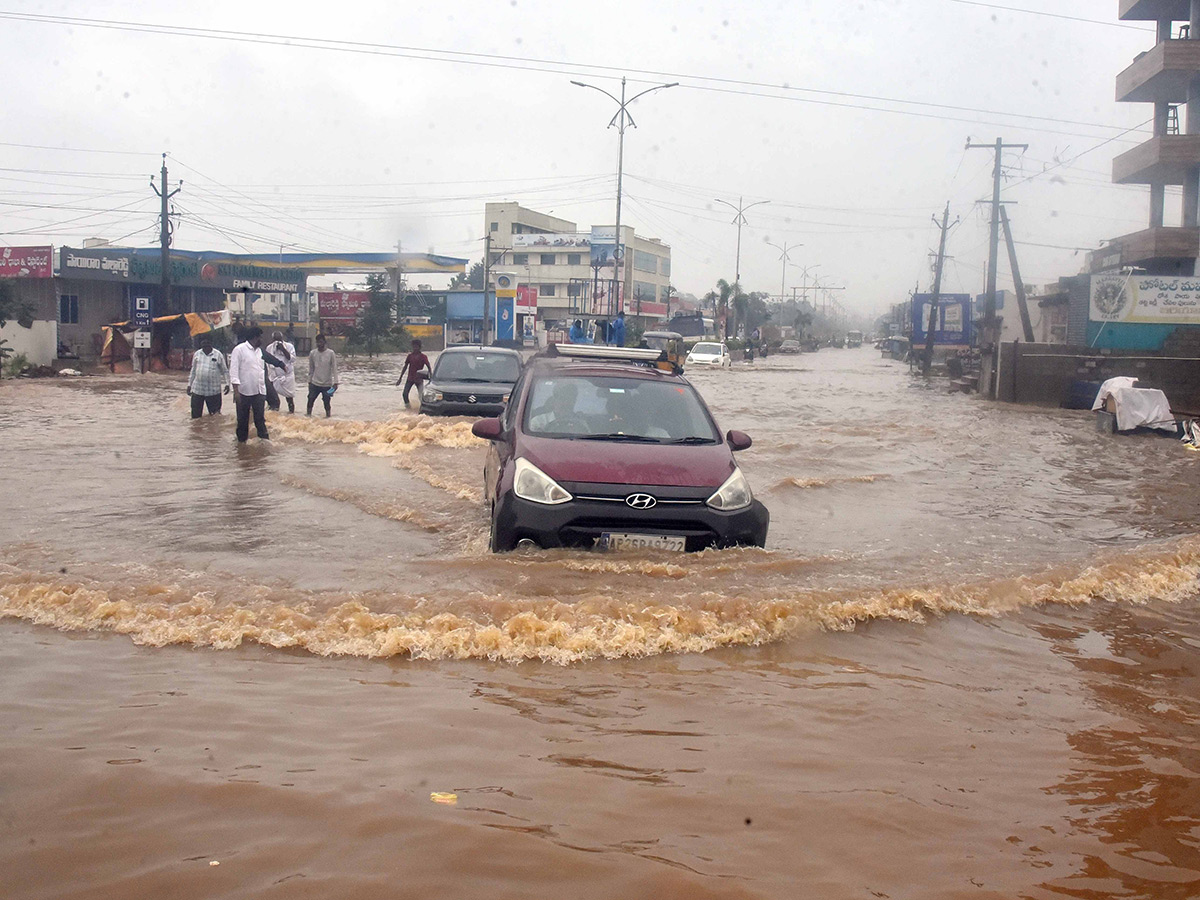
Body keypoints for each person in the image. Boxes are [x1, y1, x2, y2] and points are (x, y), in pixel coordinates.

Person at [229, 327, 272, 442]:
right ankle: (241, 445)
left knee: (260, 420)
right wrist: (236, 391)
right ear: (255, 337)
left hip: (259, 391)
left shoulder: (259, 351)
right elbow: (234, 371)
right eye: (260, 337)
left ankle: (265, 444)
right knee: (243, 420)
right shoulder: (239, 350)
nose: (262, 339)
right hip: (244, 392)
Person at [186, 334, 229, 418]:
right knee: (195, 417)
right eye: (203, 342)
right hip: (198, 390)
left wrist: (227, 384)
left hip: (213, 391)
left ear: (211, 343)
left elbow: (225, 371)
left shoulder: (218, 355)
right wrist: (189, 385)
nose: (205, 344)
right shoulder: (197, 354)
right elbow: (193, 371)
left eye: (207, 342)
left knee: (215, 417)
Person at [307, 333, 339, 417]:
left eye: (321, 342)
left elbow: (334, 368)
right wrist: (309, 381)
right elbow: (311, 369)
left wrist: (336, 382)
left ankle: (328, 417)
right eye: (317, 342)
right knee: (310, 399)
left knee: (326, 402)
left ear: (324, 342)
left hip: (327, 384)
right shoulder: (312, 353)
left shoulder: (331, 353)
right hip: (314, 383)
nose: (319, 344)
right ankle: (308, 416)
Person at [265, 331, 297, 413]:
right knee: (273, 398)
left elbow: (292, 359)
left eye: (279, 340)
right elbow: (268, 361)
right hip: (274, 376)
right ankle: (273, 415)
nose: (277, 342)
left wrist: (283, 349)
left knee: (289, 398)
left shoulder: (289, 346)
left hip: (287, 376)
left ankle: (291, 414)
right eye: (275, 340)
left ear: (282, 339)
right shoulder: (269, 348)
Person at [395, 339, 432, 408]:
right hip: (410, 378)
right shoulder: (410, 356)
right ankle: (408, 408)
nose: (415, 348)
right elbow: (405, 367)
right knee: (405, 394)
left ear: (419, 347)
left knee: (421, 396)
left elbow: (429, 367)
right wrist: (400, 378)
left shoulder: (423, 357)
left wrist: (431, 378)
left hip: (419, 379)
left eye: (416, 347)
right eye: (414, 346)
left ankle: (423, 408)